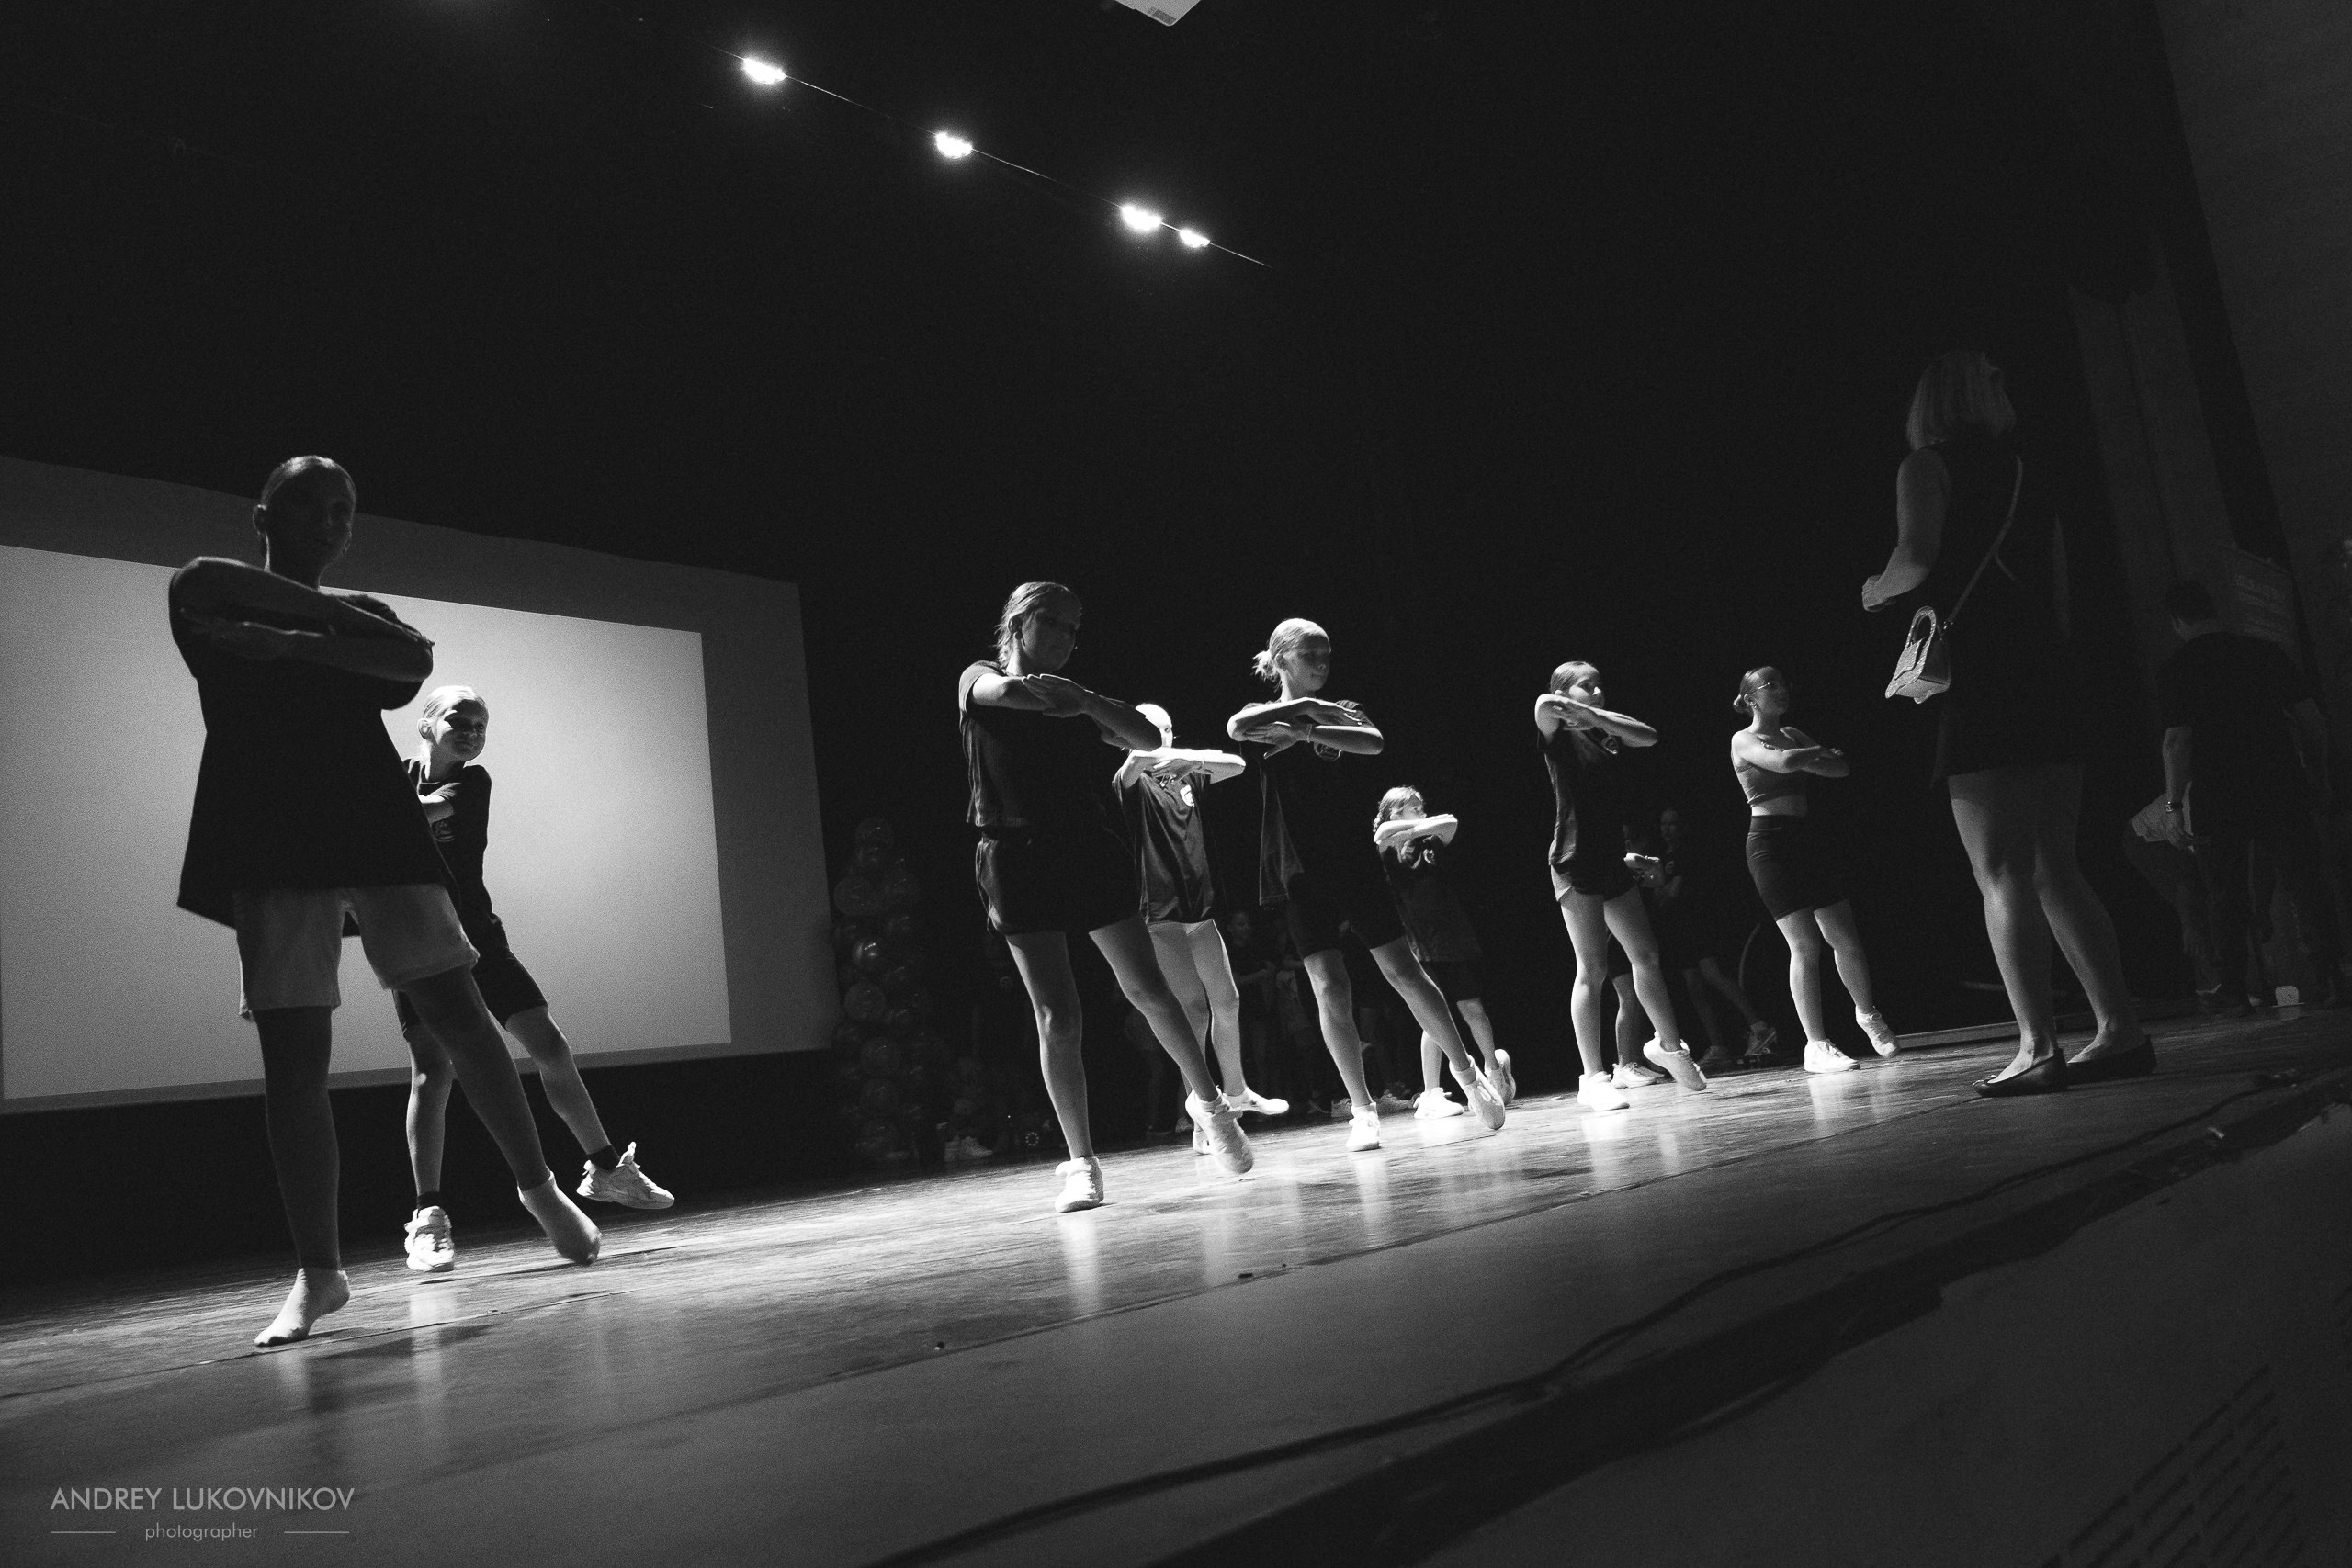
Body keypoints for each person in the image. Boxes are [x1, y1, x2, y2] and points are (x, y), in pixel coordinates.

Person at [169, 457, 598, 1348]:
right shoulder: (204, 587)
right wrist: (340, 637)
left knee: (459, 1010)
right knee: (294, 1054)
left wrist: (292, 640)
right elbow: (213, 596)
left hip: (373, 824)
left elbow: (412, 662)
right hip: (270, 832)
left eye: (344, 511)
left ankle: (538, 1187)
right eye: (310, 506)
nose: (331, 522)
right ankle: (320, 1273)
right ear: (264, 513)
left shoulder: (362, 617)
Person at [1863, 350, 2149, 1094]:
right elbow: (2056, 590)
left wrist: (1872, 589)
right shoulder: (2030, 469)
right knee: (2060, 864)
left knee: (2001, 872)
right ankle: (2120, 1029)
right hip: (2049, 671)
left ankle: (2037, 1045)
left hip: (1985, 675)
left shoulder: (1926, 465)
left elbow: (1916, 559)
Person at [961, 582, 1252, 1211]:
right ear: (1019, 620)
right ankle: (1081, 1163)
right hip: (1013, 855)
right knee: (1057, 1015)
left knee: (1148, 987)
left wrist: (1089, 701)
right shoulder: (977, 675)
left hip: (1086, 849)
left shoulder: (1080, 700)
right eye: (1057, 624)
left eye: (1076, 628)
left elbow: (1149, 737)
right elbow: (1004, 693)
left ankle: (1211, 1105)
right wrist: (1070, 701)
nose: (1069, 638)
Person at [393, 686, 673, 1276]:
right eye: (458, 720)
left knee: (547, 1044)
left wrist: (371, 813)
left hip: (478, 938)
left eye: (480, 723)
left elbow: (418, 817)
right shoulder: (395, 774)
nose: (471, 730)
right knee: (432, 1071)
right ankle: (428, 1216)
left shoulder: (472, 783)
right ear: (425, 725)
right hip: (417, 938)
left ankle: (604, 1168)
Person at [1227, 618, 1506, 1152]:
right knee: (1329, 986)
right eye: (1311, 655)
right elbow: (1239, 726)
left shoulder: (1344, 711)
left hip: (1348, 859)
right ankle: (1360, 1108)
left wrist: (1309, 728)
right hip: (1295, 865)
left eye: (1328, 656)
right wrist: (1307, 712)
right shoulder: (1265, 716)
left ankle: (1468, 1075)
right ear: (1282, 659)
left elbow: (1373, 742)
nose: (1323, 665)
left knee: (1403, 969)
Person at [2153, 580, 2341, 1010]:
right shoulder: (2264, 653)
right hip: (2279, 780)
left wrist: (2173, 804)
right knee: (2306, 883)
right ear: (2213, 610)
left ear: (2177, 621)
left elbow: (2177, 741)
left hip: (2219, 790)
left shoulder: (2176, 668)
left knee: (2225, 893)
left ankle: (2234, 989)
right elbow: (2310, 719)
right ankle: (2332, 978)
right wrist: (2319, 773)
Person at [1113, 703, 1290, 1153]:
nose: (1163, 735)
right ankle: (1201, 1111)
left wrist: (1191, 759)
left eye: (1168, 728)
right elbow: (1131, 766)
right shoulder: (1132, 782)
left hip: (1201, 909)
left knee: (1227, 999)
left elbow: (1237, 764)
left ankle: (1234, 1092)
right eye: (1153, 729)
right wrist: (1149, 751)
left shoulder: (1185, 775)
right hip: (1160, 910)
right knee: (1193, 1009)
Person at [1535, 660, 1709, 1111]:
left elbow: (1648, 736)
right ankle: (1592, 1077)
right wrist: (1581, 714)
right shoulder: (1558, 735)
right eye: (1585, 686)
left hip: (1611, 860)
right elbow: (1543, 704)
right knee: (1590, 970)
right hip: (1573, 862)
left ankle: (1668, 1046)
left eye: (1599, 685)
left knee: (1646, 954)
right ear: (1565, 691)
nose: (1596, 691)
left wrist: (1595, 718)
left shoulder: (1607, 735)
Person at [1729, 667, 1903, 1072]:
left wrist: (1811, 755)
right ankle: (1816, 1045)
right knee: (1804, 944)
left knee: (1844, 935)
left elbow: (1839, 769)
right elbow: (1788, 763)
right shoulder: (1744, 738)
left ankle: (1867, 1013)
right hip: (1769, 844)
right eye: (1770, 685)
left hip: (1806, 839)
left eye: (1783, 682)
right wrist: (1818, 752)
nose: (1781, 689)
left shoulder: (1793, 733)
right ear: (1751, 698)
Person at [1373, 786, 1517, 1118]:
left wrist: (1418, 828)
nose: (1423, 812)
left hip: (1452, 935)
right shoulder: (1389, 846)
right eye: (1414, 807)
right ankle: (1431, 1093)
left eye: (1423, 807)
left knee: (1473, 1009)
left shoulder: (1430, 841)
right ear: (1395, 812)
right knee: (1434, 1018)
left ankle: (1494, 1071)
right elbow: (1382, 833)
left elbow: (1449, 823)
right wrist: (1414, 829)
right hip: (1417, 942)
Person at [1651, 805, 1780, 1070]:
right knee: (1695, 987)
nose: (1667, 829)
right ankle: (1718, 1046)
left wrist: (1662, 889)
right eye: (1663, 824)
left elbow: (1670, 894)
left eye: (1673, 823)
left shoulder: (1688, 851)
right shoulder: (1662, 856)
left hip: (1699, 923)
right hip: (1679, 929)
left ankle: (1759, 1027)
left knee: (1712, 975)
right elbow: (1658, 898)